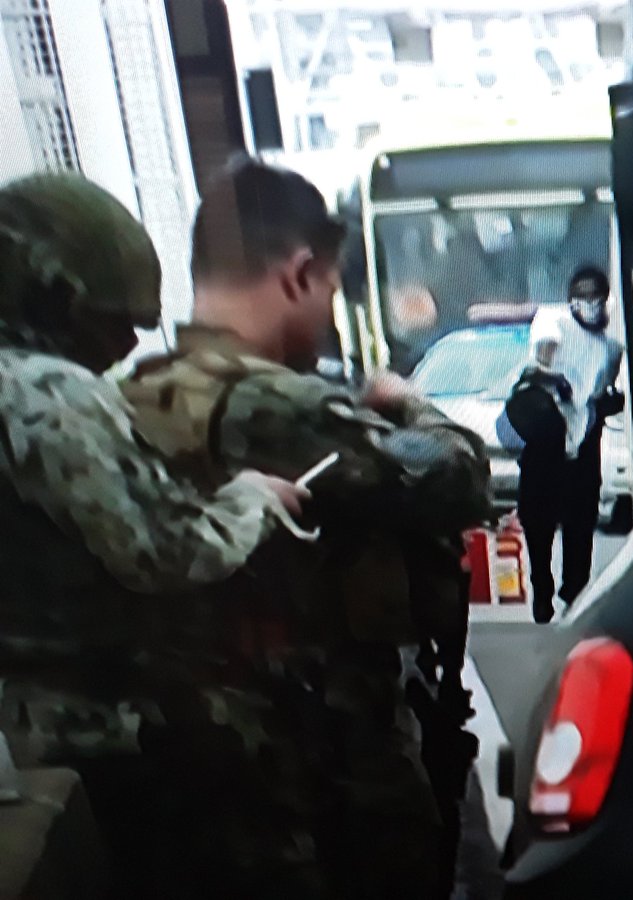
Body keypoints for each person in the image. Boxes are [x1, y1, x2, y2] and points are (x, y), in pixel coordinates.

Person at [121, 156, 491, 898]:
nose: (328, 309)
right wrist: (407, 401)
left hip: (195, 779)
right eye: (328, 286)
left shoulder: (139, 395)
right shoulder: (282, 407)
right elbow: (459, 478)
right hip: (327, 784)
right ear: (298, 273)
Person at [0, 173, 316, 897]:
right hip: (104, 736)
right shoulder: (48, 393)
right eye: (115, 317)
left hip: (27, 745)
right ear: (53, 294)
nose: (132, 338)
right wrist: (250, 499)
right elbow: (162, 551)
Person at [516, 266, 624, 624]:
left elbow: (603, 390)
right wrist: (553, 378)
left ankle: (573, 593)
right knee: (539, 524)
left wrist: (608, 402)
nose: (589, 303)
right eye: (581, 295)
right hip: (547, 439)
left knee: (580, 527)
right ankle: (542, 591)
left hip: (583, 444)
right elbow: (538, 363)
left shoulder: (610, 345)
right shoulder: (554, 321)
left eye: (595, 296)